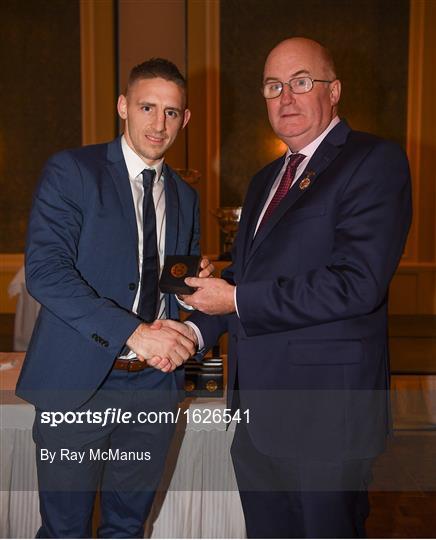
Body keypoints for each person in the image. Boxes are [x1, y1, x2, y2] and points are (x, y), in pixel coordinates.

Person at [179, 37, 412, 538]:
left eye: (301, 82)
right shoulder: (266, 180)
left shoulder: (373, 161)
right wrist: (194, 327)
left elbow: (357, 285)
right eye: (272, 86)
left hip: (326, 419)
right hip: (256, 416)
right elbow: (246, 279)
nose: (285, 97)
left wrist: (235, 298)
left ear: (334, 91)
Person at [16, 58, 212, 538]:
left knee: (127, 528)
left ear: (185, 119)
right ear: (123, 106)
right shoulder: (73, 171)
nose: (158, 123)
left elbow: (169, 288)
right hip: (79, 384)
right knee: (65, 531)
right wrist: (135, 333)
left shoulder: (185, 197)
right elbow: (45, 272)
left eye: (171, 112)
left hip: (152, 390)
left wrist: (194, 290)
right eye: (147, 107)